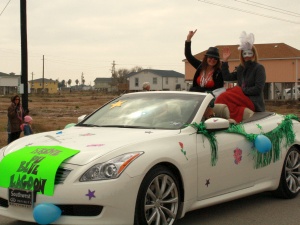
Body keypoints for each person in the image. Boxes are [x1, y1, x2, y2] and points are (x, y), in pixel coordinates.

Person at [215, 31, 266, 123]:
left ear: (253, 54)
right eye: (244, 54)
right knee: (222, 97)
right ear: (241, 55)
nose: (247, 56)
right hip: (240, 97)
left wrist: (241, 90)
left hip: (253, 101)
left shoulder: (259, 68)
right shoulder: (241, 68)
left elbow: (258, 89)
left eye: (249, 53)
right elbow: (227, 78)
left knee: (226, 96)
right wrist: (225, 61)